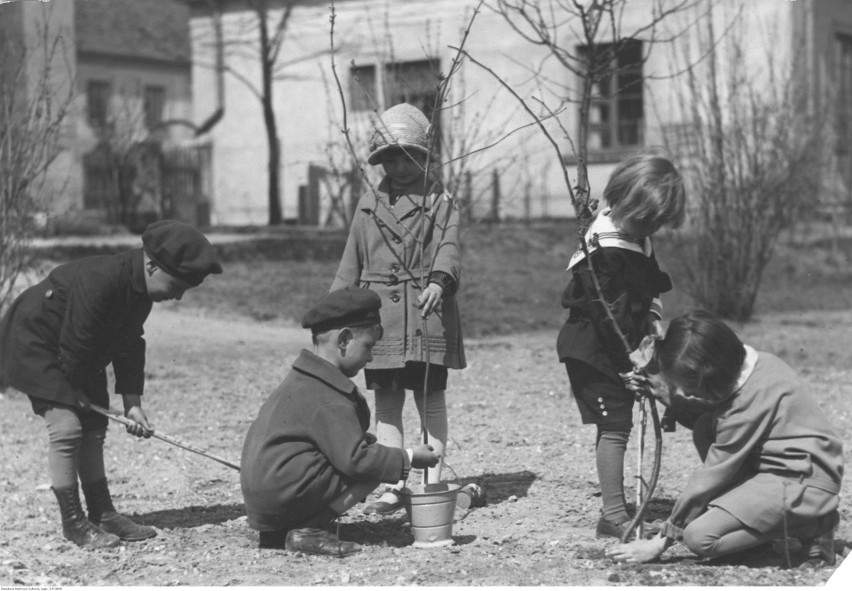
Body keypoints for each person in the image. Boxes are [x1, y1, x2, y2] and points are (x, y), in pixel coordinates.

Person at [0, 220, 222, 549]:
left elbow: (130, 344)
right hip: (37, 341)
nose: (178, 296)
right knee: (67, 427)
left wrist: (133, 405)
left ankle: (103, 513)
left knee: (94, 426)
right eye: (177, 285)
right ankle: (74, 523)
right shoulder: (101, 280)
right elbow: (75, 347)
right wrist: (75, 396)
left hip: (77, 350)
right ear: (152, 265)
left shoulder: (139, 292)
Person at [607, 309, 844, 566]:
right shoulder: (757, 365)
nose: (687, 393)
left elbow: (712, 473)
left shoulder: (750, 402)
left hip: (804, 483)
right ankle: (763, 522)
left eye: (690, 387)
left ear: (708, 373)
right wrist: (664, 393)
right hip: (788, 472)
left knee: (698, 537)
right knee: (705, 427)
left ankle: (813, 524)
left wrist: (662, 539)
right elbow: (716, 420)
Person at [330, 102, 466, 515]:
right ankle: (393, 482)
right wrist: (332, 310)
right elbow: (349, 260)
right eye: (390, 156)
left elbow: (449, 247)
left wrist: (439, 281)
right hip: (382, 322)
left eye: (410, 156)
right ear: (379, 160)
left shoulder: (440, 201)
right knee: (386, 402)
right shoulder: (368, 203)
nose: (400, 166)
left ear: (424, 157)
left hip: (426, 314)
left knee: (430, 400)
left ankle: (431, 481)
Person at [240, 287, 440, 557]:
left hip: (268, 501)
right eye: (368, 346)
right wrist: (408, 457)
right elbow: (357, 460)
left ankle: (288, 527)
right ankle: (307, 530)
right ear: (344, 340)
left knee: (369, 451)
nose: (370, 357)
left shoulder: (304, 379)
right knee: (374, 465)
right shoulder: (329, 396)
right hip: (282, 499)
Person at [555, 151, 686, 538]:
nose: (648, 230)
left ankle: (620, 507)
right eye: (644, 220)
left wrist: (654, 319)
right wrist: (630, 363)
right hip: (594, 347)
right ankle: (612, 515)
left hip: (624, 341)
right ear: (622, 200)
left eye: (656, 224)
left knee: (622, 422)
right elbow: (605, 316)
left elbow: (651, 287)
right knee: (615, 426)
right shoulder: (604, 247)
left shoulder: (637, 239)